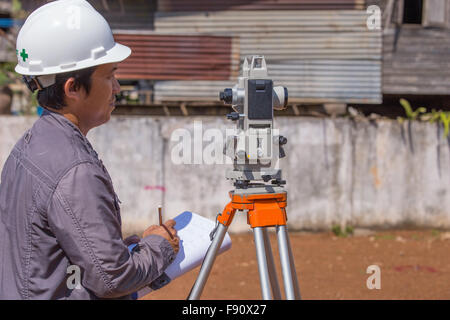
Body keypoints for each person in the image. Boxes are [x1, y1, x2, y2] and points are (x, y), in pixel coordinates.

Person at [0, 0, 179, 299]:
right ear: (72, 88)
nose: (118, 87)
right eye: (109, 75)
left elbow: (53, 256)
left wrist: (124, 249)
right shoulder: (75, 170)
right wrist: (161, 247)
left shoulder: (29, 147)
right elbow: (113, 279)